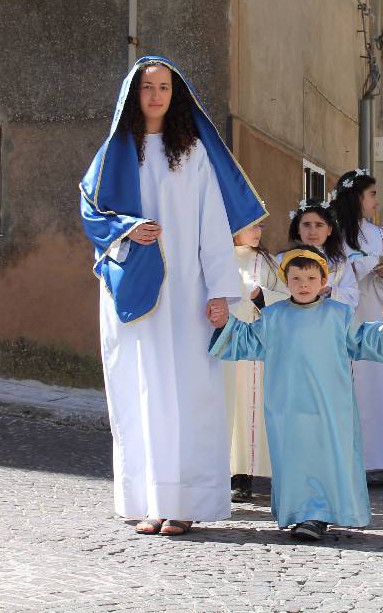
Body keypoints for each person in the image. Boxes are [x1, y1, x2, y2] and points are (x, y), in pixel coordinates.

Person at [80, 56, 266, 536]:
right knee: (141, 389)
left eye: (164, 87)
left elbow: (212, 225)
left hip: (188, 293)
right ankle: (149, 502)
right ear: (132, 94)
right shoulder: (117, 152)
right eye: (147, 87)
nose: (156, 95)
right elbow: (91, 209)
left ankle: (184, 503)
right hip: (140, 294)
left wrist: (223, 291)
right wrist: (128, 229)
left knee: (189, 394)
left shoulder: (193, 153)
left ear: (175, 94)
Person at [209, 246, 383, 540]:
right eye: (297, 278)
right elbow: (249, 340)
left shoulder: (338, 314)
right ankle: (302, 513)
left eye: (311, 278)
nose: (304, 285)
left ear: (323, 281)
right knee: (294, 457)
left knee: (326, 456)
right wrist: (224, 323)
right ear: (285, 281)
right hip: (287, 405)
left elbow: (361, 339)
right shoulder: (274, 316)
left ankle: (317, 515)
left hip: (330, 405)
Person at [332, 170, 383, 482]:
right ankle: (354, 460)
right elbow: (339, 267)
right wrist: (369, 263)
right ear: (356, 198)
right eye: (372, 194)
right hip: (347, 316)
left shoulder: (382, 236)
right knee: (353, 386)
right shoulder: (335, 231)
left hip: (377, 313)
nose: (377, 201)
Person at [227, 222, 288, 502]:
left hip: (259, 344)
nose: (258, 231)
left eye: (261, 225)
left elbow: (286, 295)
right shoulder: (219, 256)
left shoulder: (267, 261)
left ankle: (255, 473)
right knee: (231, 407)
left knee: (257, 405)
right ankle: (232, 473)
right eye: (251, 225)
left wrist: (261, 295)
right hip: (228, 344)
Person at [285, 200, 358, 308]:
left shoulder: (340, 262)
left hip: (329, 320)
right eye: (306, 225)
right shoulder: (284, 259)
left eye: (319, 225)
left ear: (329, 230)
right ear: (298, 229)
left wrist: (330, 292)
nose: (312, 232)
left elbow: (353, 297)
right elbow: (277, 294)